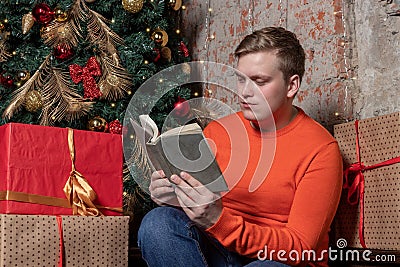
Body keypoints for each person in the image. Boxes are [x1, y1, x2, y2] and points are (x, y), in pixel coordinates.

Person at [138, 27, 343, 267]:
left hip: (276, 261)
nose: (245, 92)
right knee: (158, 222)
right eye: (241, 79)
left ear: (291, 86)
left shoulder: (321, 149)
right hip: (218, 251)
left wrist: (219, 221)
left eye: (259, 81)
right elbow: (199, 210)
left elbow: (300, 247)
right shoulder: (219, 131)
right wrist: (171, 194)